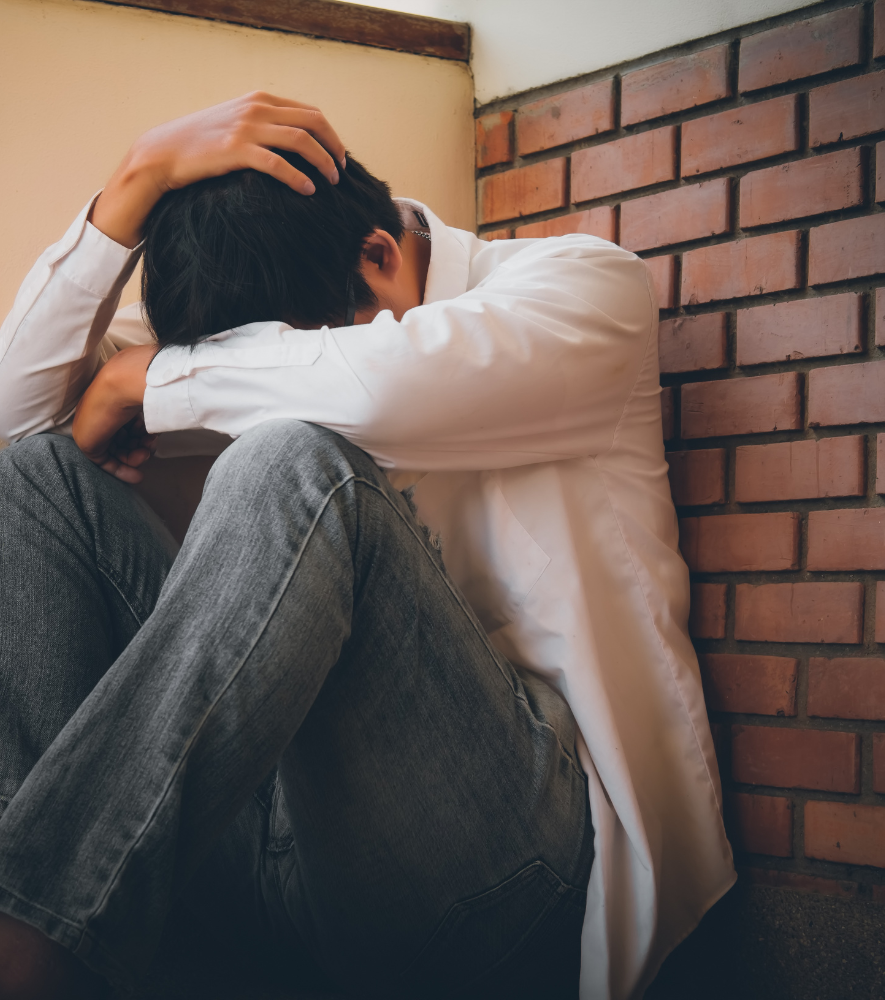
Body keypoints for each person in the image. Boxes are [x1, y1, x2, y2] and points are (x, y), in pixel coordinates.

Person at [0, 93, 734, 1000]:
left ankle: (36, 948)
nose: (254, 373)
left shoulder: (582, 289)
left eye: (273, 355)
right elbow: (18, 420)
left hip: (514, 864)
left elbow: (385, 388)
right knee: (34, 478)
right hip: (278, 855)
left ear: (379, 257)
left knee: (290, 459)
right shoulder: (258, 322)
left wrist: (153, 378)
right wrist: (134, 183)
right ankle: (39, 909)